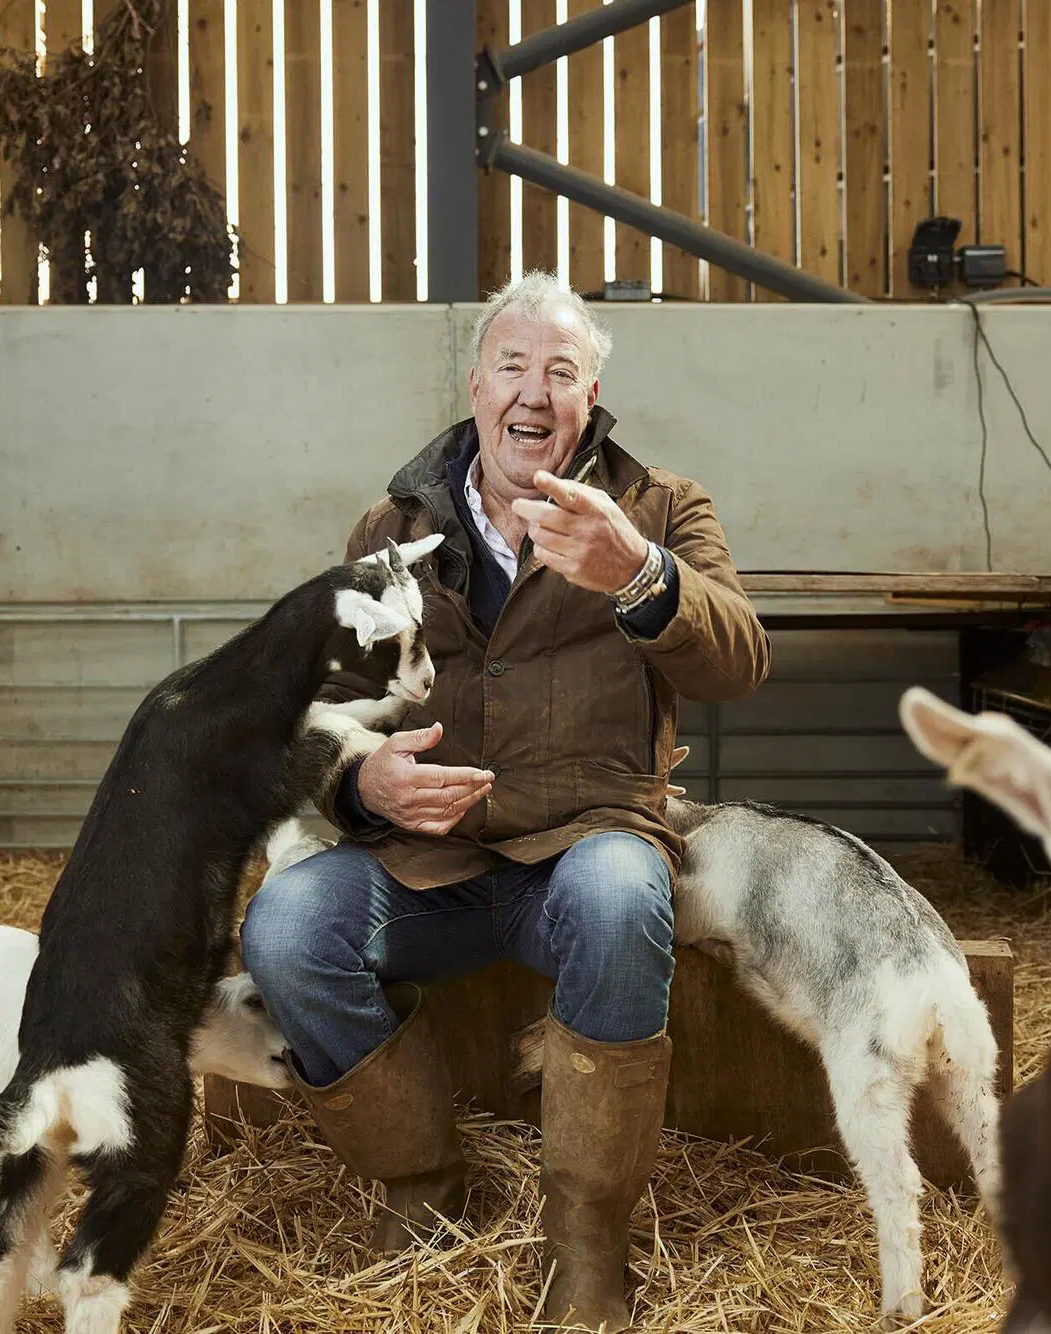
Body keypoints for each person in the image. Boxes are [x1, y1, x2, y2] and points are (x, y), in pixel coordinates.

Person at [241, 270, 770, 1331]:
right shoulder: (391, 526)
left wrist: (639, 573)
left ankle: (587, 1244)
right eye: (513, 366)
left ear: (589, 398)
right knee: (285, 927)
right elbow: (327, 708)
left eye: (561, 371)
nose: (535, 391)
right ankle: (422, 1192)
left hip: (587, 841)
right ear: (476, 385)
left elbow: (740, 662)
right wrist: (361, 780)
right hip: (426, 863)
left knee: (620, 895)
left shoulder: (659, 507)